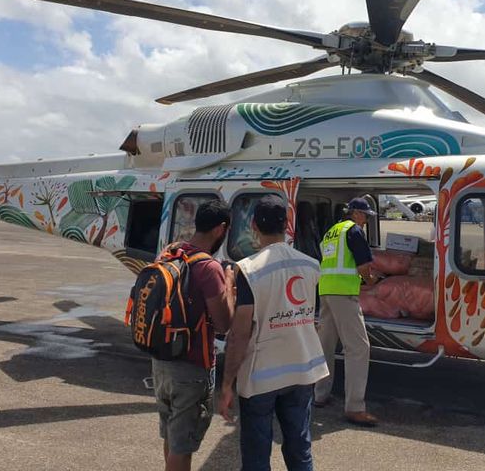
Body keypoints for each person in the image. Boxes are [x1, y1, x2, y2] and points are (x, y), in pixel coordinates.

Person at [218, 194, 328, 471]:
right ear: (286, 223)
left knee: (257, 454)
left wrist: (227, 383)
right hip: (302, 370)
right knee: (299, 448)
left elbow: (240, 334)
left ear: (254, 225)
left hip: (261, 377)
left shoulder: (249, 270)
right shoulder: (310, 265)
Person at [152, 199, 235, 471]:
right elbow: (223, 324)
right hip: (191, 366)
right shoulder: (209, 267)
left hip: (162, 361)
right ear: (220, 229)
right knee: (183, 446)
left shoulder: (169, 253)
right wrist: (229, 285)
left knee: (172, 435)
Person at [314, 196, 379, 427]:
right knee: (358, 348)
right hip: (343, 293)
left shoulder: (332, 231)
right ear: (356, 213)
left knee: (326, 345)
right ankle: (355, 407)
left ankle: (320, 395)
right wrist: (371, 281)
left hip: (326, 292)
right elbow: (363, 266)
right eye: (366, 216)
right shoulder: (354, 231)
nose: (366, 221)